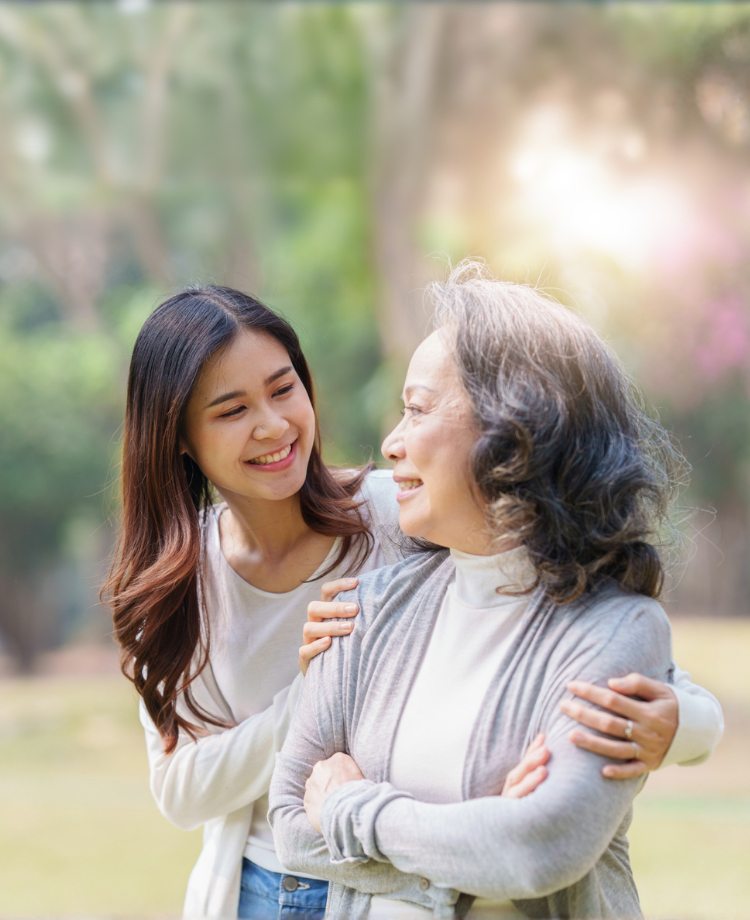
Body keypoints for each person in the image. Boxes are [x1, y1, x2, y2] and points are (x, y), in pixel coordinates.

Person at [104, 284, 720, 920]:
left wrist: (686, 722)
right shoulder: (172, 584)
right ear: (177, 436)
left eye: (283, 389)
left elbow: (561, 616)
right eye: (232, 411)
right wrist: (313, 693)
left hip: (401, 876)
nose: (273, 424)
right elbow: (181, 790)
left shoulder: (397, 511)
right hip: (264, 881)